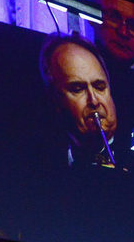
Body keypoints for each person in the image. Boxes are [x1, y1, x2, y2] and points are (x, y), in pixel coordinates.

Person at [39, 35, 121, 169]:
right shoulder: (40, 165)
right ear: (55, 99)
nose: (94, 101)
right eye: (78, 89)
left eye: (100, 87)